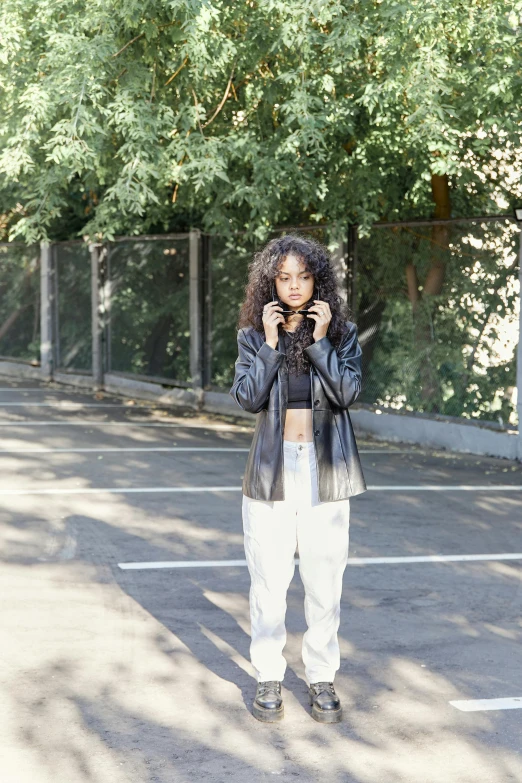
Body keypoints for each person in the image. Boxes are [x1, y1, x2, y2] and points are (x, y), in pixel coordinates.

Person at [229, 233, 367, 724]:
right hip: (272, 468)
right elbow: (246, 397)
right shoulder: (252, 334)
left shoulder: (341, 332)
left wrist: (322, 341)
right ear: (271, 280)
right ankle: (269, 675)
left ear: (317, 279)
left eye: (303, 276)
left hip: (324, 468)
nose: (293, 285)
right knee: (269, 578)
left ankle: (321, 677)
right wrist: (269, 346)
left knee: (324, 579)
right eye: (284, 277)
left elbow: (348, 392)